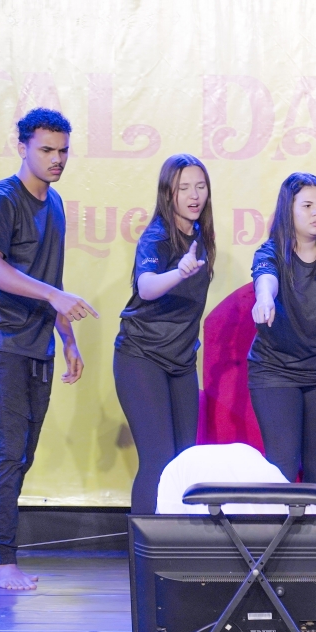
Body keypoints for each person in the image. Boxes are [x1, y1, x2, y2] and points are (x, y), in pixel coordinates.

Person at [0, 108, 97, 590]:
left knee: (21, 454)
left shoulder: (54, 202)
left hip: (37, 343)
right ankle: (4, 562)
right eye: (46, 149)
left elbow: (48, 281)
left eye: (63, 150)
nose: (56, 158)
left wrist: (67, 337)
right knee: (6, 452)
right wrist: (54, 297)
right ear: (22, 147)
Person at [114, 154, 215, 515]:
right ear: (167, 193)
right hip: (141, 357)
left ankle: (176, 544)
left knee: (182, 463)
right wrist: (179, 273)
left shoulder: (200, 236)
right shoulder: (156, 236)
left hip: (181, 362)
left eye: (200, 187)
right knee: (157, 461)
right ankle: (144, 548)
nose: (194, 195)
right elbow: (146, 286)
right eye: (183, 188)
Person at [248, 173, 316, 485]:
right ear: (288, 210)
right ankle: (279, 520)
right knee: (283, 465)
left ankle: (315, 520)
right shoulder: (270, 252)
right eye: (307, 206)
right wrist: (265, 298)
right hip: (275, 370)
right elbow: (265, 278)